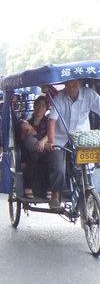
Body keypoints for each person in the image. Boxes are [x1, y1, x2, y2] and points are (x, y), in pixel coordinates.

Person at [46, 80, 100, 208]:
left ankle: (86, 190)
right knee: (59, 168)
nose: (71, 87)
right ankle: (55, 194)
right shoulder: (59, 98)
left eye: (75, 84)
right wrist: (51, 142)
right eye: (69, 85)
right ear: (65, 85)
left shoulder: (89, 94)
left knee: (86, 168)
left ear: (80, 84)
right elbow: (52, 121)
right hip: (61, 138)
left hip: (82, 138)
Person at [17, 95, 51, 198]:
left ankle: (49, 188)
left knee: (51, 157)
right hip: (30, 152)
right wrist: (26, 132)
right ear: (34, 106)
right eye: (38, 105)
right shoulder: (27, 122)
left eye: (43, 106)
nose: (40, 108)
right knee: (34, 155)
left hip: (45, 152)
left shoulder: (49, 122)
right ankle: (29, 186)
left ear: (46, 109)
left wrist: (42, 142)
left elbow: (50, 135)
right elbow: (21, 140)